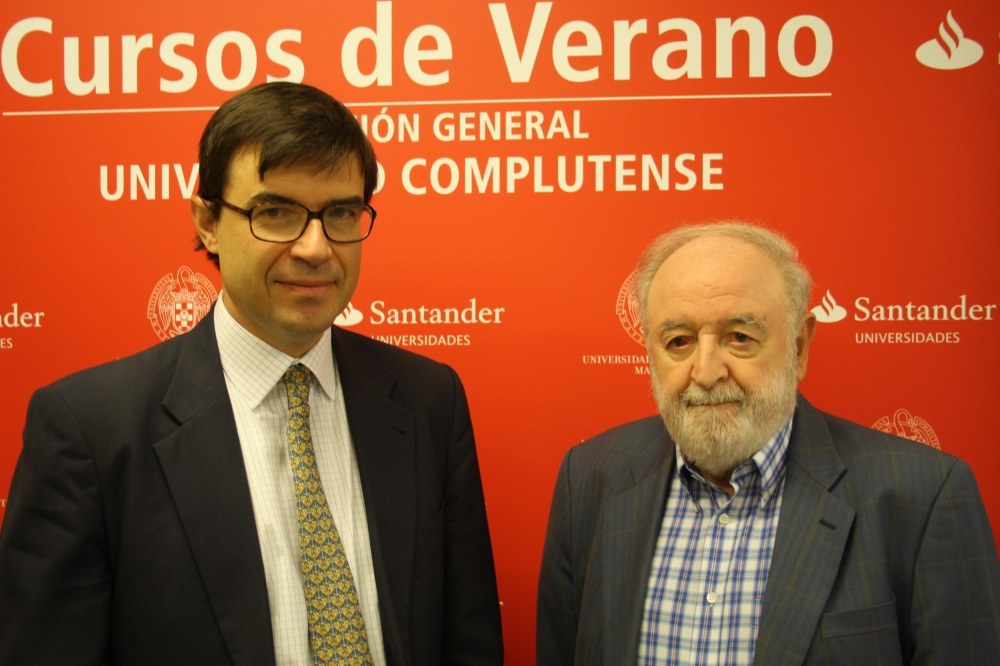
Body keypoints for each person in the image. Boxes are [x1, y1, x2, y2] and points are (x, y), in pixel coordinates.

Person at [0, 82, 503, 665]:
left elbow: (467, 643)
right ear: (208, 222)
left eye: (340, 213)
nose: (315, 248)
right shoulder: (91, 430)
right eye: (275, 213)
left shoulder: (428, 400)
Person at [536, 221, 999, 665]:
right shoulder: (591, 478)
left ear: (799, 347)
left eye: (739, 338)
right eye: (678, 341)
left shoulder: (924, 497)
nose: (706, 372)